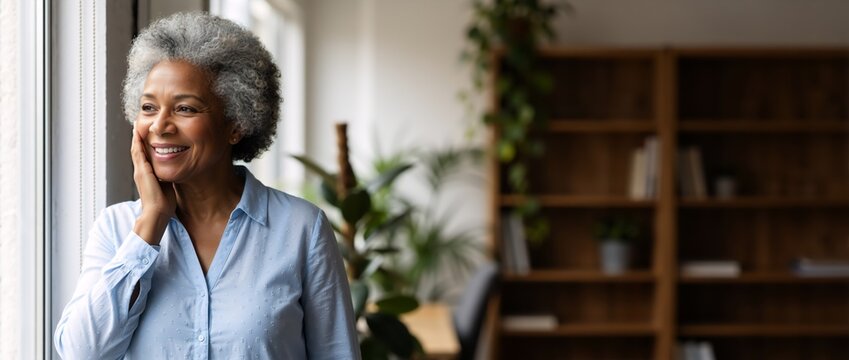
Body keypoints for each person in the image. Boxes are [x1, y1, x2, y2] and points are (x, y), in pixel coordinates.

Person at [54, 12, 360, 359]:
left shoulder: (301, 229)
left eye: (185, 108)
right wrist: (150, 224)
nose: (160, 126)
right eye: (149, 107)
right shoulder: (116, 229)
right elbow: (81, 352)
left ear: (236, 124)